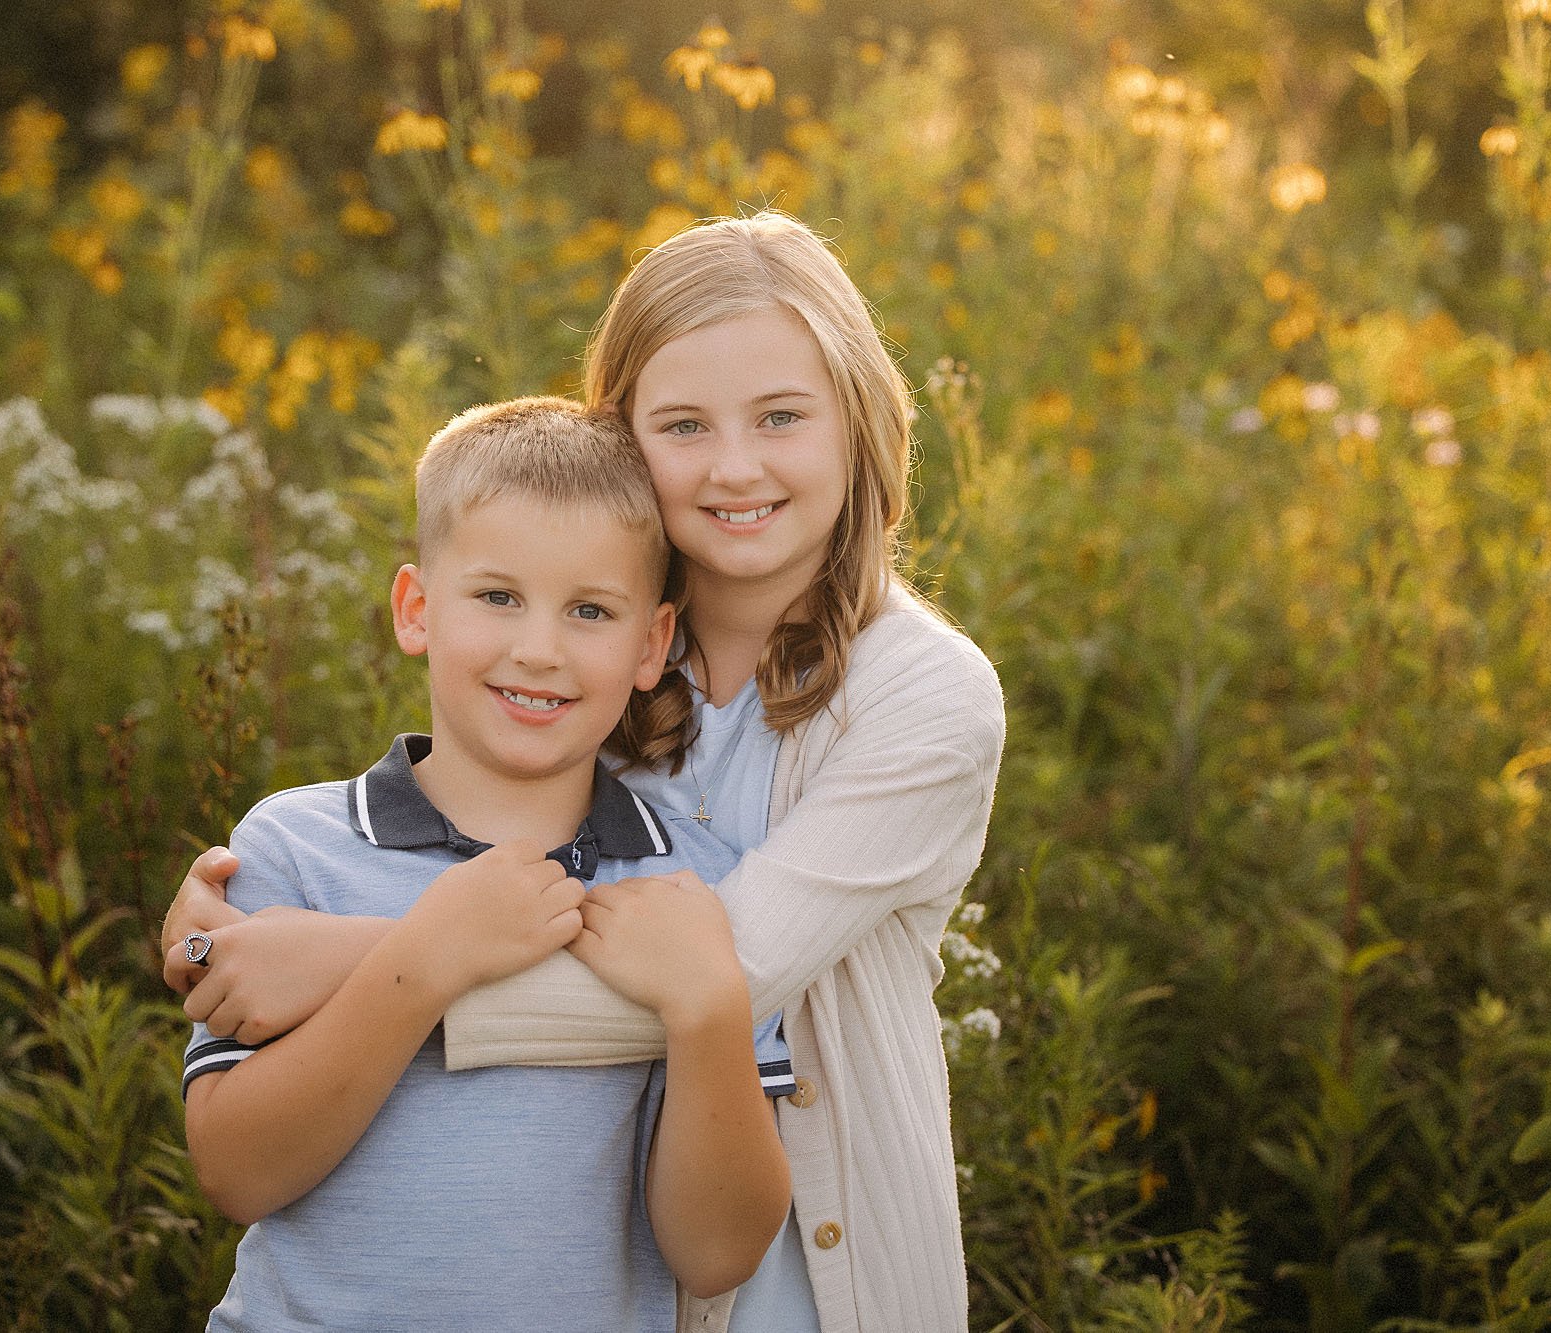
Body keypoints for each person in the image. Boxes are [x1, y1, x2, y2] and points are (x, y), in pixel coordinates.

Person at [166, 212, 1006, 1333]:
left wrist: (336, 959)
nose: (734, 464)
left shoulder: (924, 694)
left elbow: (720, 970)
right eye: (680, 425)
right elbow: (439, 838)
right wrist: (220, 936)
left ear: (858, 421)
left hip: (818, 1285)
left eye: (781, 417)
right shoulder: (590, 672)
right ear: (619, 440)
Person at [181, 397, 792, 1330]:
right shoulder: (294, 847)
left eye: (590, 609)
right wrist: (428, 955)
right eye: (497, 596)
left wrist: (708, 1007)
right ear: (416, 608)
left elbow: (716, 1254)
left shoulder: (692, 890)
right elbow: (237, 1170)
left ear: (651, 645)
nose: (537, 649)